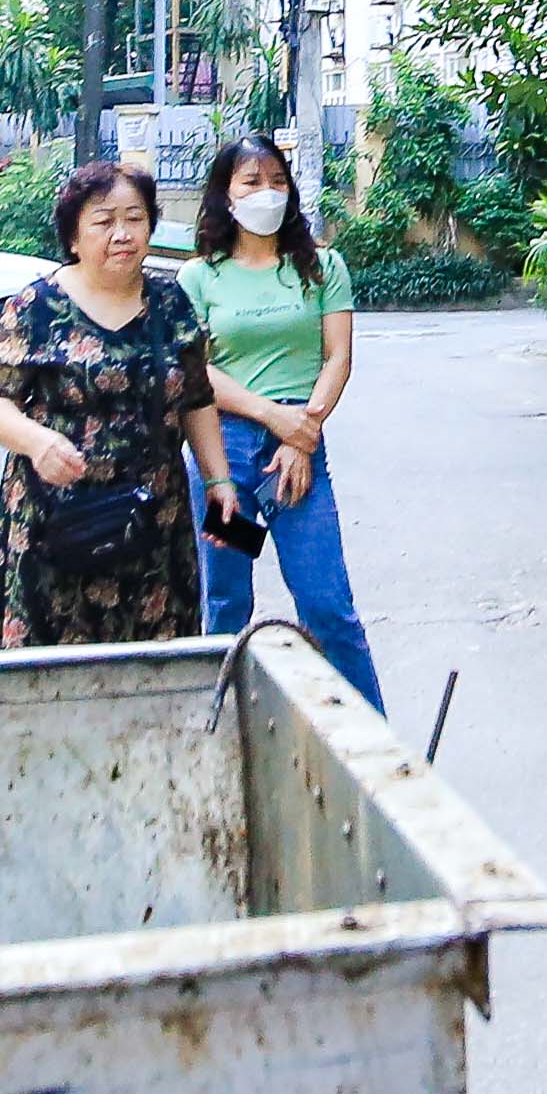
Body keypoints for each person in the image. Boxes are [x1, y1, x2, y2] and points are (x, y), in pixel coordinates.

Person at [0, 158, 236, 652]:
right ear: (74, 236)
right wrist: (37, 441)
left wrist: (218, 481)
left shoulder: (171, 302)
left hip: (153, 522)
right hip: (58, 519)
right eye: (103, 221)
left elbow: (197, 398)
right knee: (49, 678)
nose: (122, 234)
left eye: (135, 219)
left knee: (154, 670)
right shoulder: (36, 307)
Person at [182, 135, 383, 708]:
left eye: (277, 180)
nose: (266, 193)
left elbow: (337, 358)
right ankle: (221, 736)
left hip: (295, 461)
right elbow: (198, 372)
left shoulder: (321, 268)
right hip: (225, 465)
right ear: (224, 194)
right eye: (250, 181)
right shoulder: (201, 278)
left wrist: (302, 433)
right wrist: (273, 416)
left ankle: (373, 742)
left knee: (325, 604)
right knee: (226, 600)